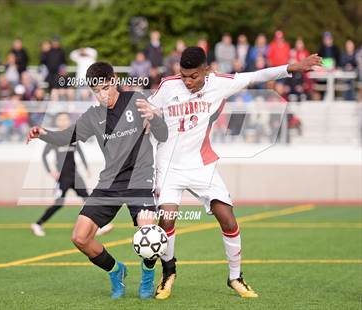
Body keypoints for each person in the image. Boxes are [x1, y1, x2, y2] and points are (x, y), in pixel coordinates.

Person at [148, 46, 321, 299]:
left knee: (227, 218)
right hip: (168, 167)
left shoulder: (219, 83)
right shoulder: (168, 86)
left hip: (202, 165)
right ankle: (168, 273)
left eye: (193, 76)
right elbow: (148, 111)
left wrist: (289, 68)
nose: (187, 81)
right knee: (167, 219)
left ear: (206, 71)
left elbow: (254, 76)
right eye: (183, 75)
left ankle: (235, 277)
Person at [26, 62, 168, 299]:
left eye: (104, 88)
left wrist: (154, 118)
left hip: (139, 179)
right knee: (80, 237)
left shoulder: (136, 99)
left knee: (150, 234)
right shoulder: (93, 116)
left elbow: (162, 135)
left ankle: (147, 276)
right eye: (96, 91)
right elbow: (65, 138)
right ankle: (116, 271)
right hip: (109, 183)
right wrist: (44, 134)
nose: (101, 95)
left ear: (113, 81)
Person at [31, 112, 113, 237]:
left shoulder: (73, 137)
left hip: (76, 176)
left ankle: (98, 226)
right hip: (63, 178)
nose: (63, 122)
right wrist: (51, 171)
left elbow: (80, 153)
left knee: (88, 200)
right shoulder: (54, 139)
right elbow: (44, 156)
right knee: (58, 203)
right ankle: (38, 224)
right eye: (60, 119)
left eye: (65, 119)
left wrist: (86, 168)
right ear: (56, 122)